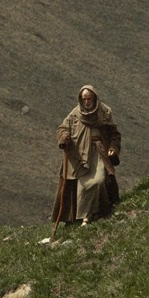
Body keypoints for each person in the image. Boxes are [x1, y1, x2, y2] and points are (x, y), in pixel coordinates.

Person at [51, 85, 120, 227]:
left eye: (89, 99)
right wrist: (64, 136)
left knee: (97, 181)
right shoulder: (75, 114)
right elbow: (63, 128)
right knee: (81, 184)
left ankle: (91, 215)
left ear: (94, 98)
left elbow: (114, 134)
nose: (87, 102)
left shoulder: (104, 112)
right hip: (80, 155)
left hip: (98, 152)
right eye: (84, 99)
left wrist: (112, 148)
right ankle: (84, 217)